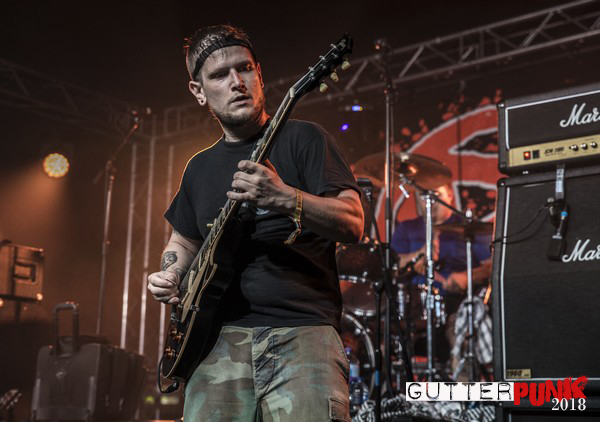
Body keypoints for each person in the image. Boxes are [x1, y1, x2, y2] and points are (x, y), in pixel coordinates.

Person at [147, 25, 363, 421]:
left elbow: (353, 221)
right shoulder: (198, 167)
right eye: (219, 75)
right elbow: (184, 240)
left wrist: (286, 197)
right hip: (214, 342)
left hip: (302, 333)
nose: (236, 82)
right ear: (198, 91)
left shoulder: (306, 139)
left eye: (244, 68)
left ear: (259, 73)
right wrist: (170, 272)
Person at [391, 183, 492, 365]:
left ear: (450, 195)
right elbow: (391, 265)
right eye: (422, 196)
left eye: (435, 195)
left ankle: (461, 379)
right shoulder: (406, 228)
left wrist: (467, 277)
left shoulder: (468, 228)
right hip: (412, 310)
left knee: (463, 337)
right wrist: (417, 256)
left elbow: (492, 266)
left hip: (455, 307)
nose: (428, 202)